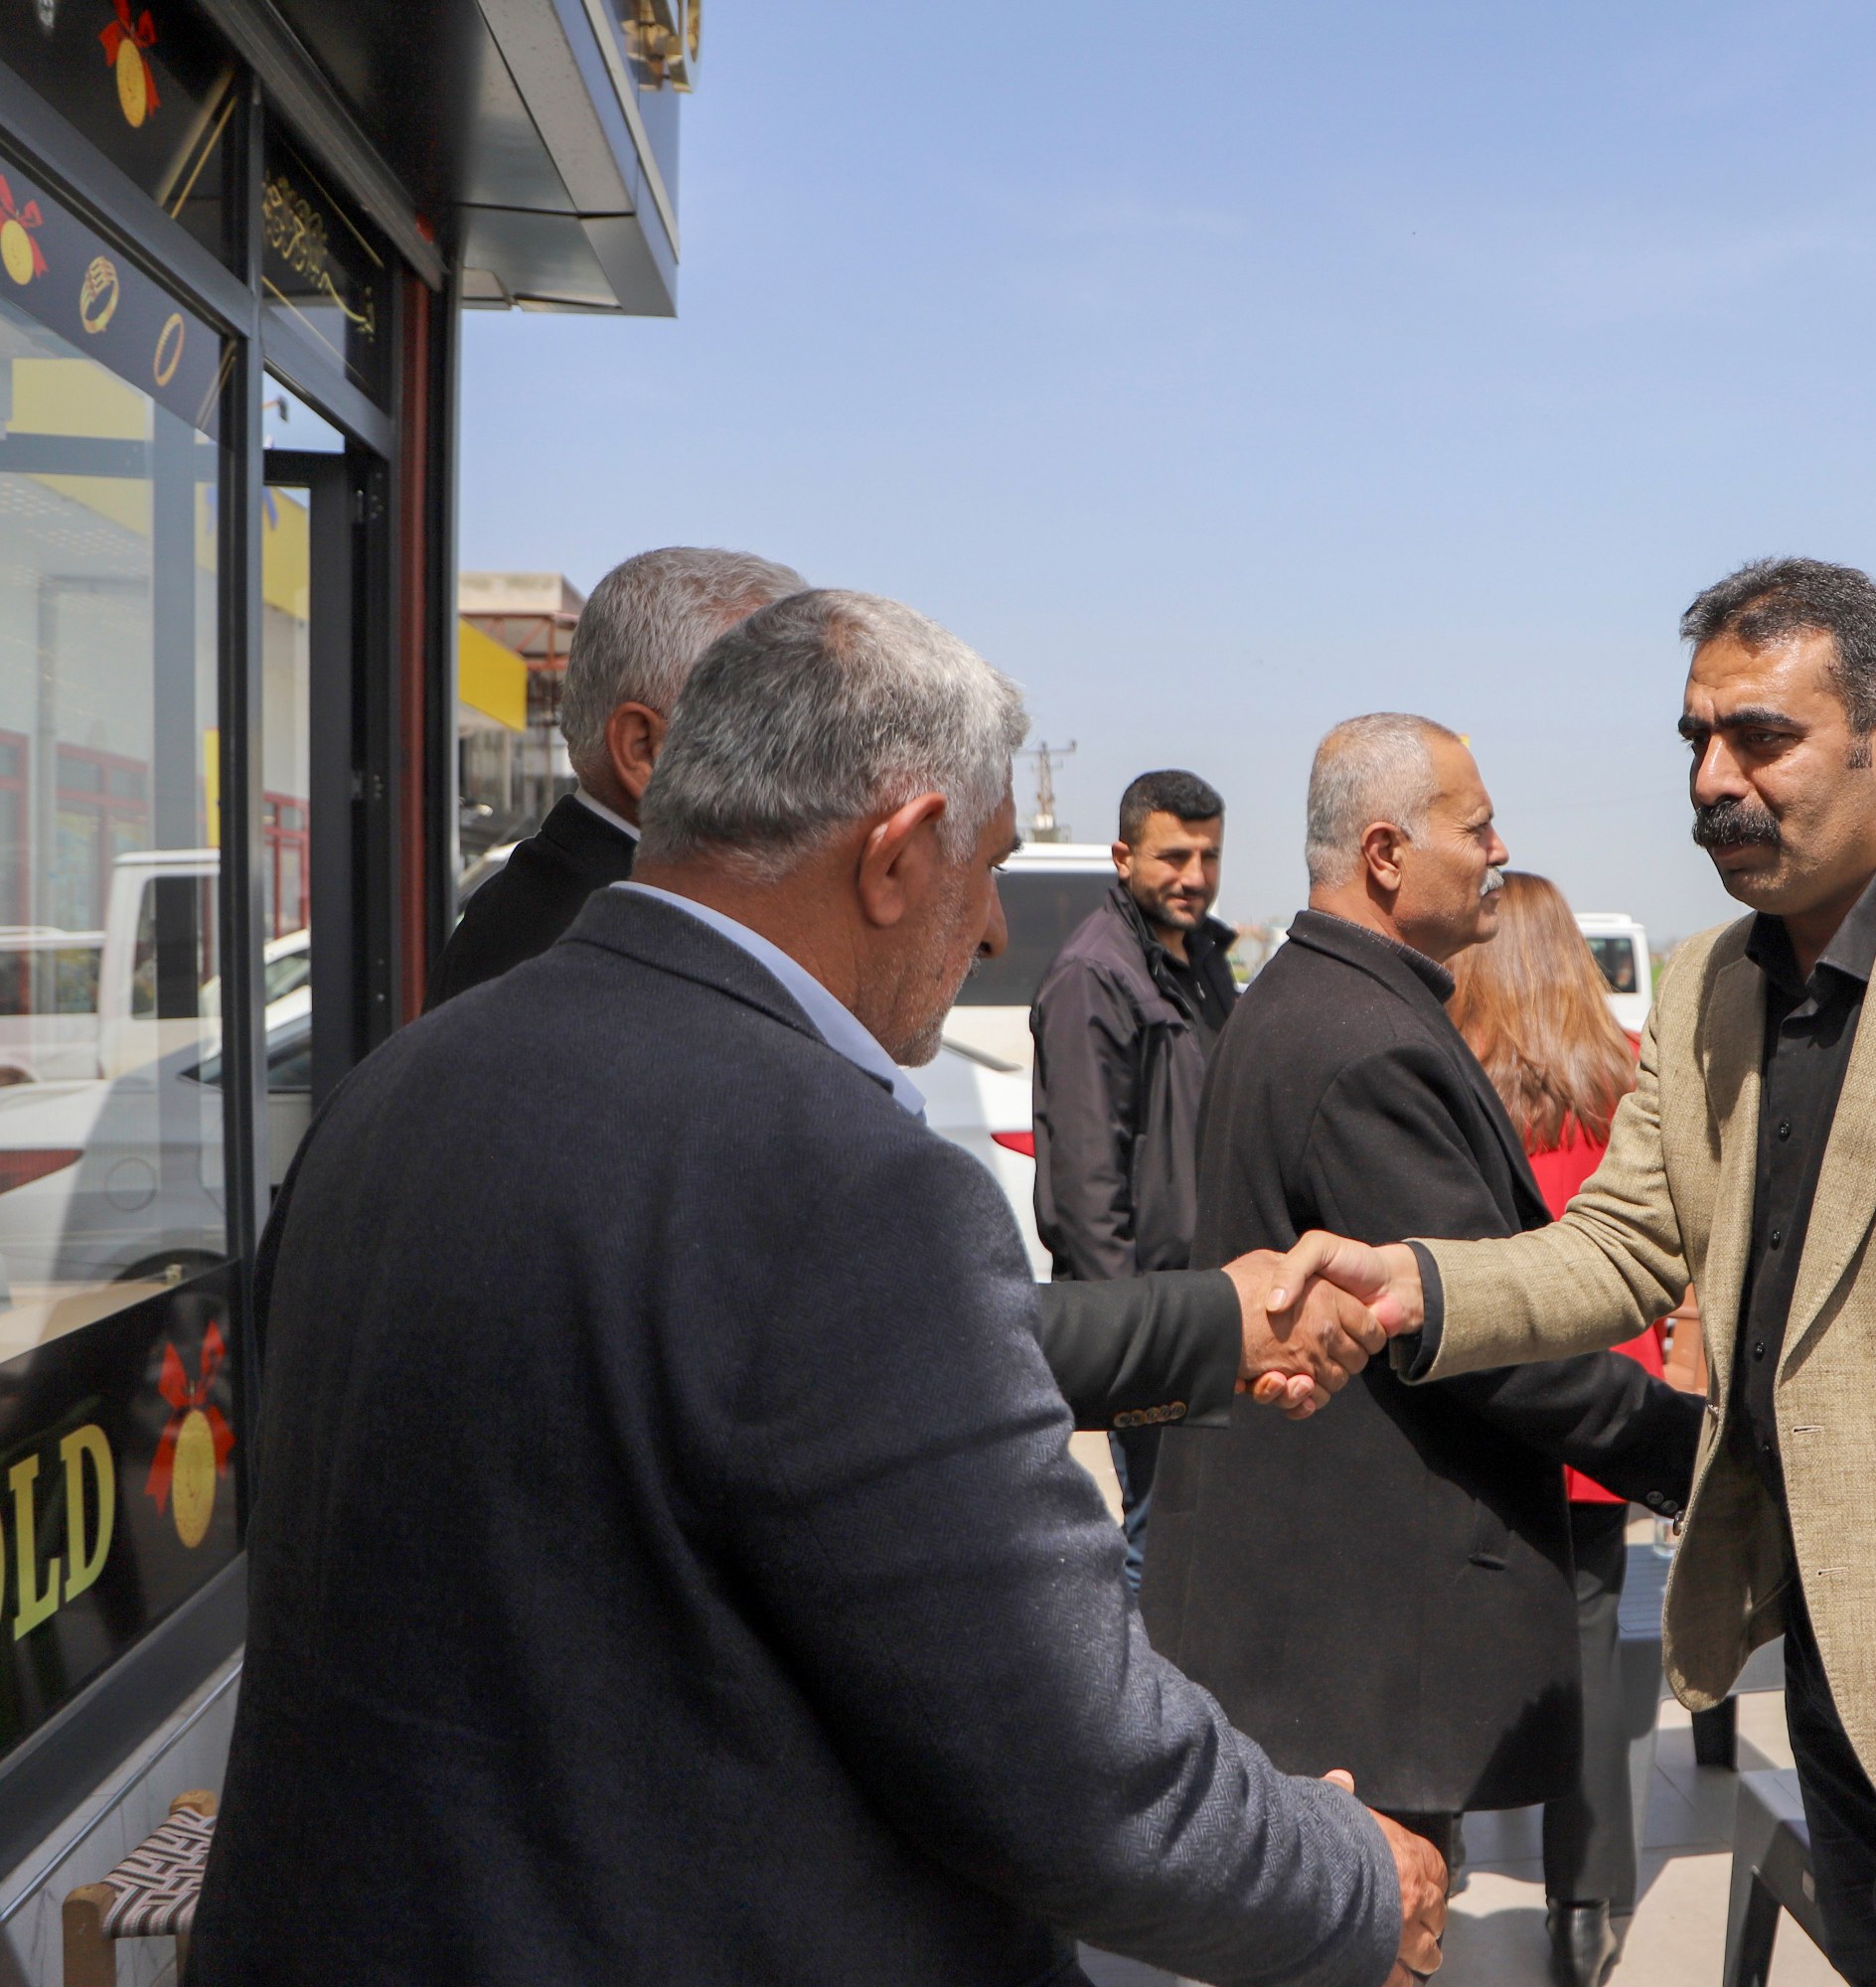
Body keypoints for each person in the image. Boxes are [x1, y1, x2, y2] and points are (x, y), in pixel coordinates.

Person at [194, 591, 1444, 1987]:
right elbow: (1077, 1770)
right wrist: (1353, 1877)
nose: (990, 930)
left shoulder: (391, 1091)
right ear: (897, 854)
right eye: (987, 868)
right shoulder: (846, 1180)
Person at [1298, 561, 1876, 1986]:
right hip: (1815, 1651)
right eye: (1697, 739)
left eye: (1760, 738)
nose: (1712, 781)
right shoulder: (1708, 985)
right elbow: (1625, 1243)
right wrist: (1416, 1290)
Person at [1142, 715, 1704, 1886]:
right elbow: (1491, 1338)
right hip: (1356, 1631)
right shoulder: (1364, 1040)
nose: (1500, 849)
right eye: (1477, 825)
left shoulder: (1328, 997)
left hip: (1323, 1612)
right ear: (1387, 853)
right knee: (1371, 1928)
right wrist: (1692, 1451)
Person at [1444, 868, 1688, 1987]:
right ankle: (1583, 1913)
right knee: (1590, 1667)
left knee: (1454, 1639)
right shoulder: (1626, 1078)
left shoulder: (1454, 1079)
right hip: (1604, 1415)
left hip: (1488, 1404)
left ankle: (1438, 1851)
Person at [1032, 768, 1241, 1590]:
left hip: (1214, 1302)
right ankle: (1121, 1676)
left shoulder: (1205, 961)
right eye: (1173, 856)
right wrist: (1134, 1336)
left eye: (1209, 856)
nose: (1194, 875)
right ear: (1123, 858)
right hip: (1155, 1315)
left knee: (1207, 1544)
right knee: (1159, 1549)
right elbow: (1087, 1182)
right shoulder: (1095, 974)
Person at [429, 546, 802, 1005]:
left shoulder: (550, 908)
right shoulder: (641, 956)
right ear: (642, 749)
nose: (821, 762)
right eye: (779, 724)